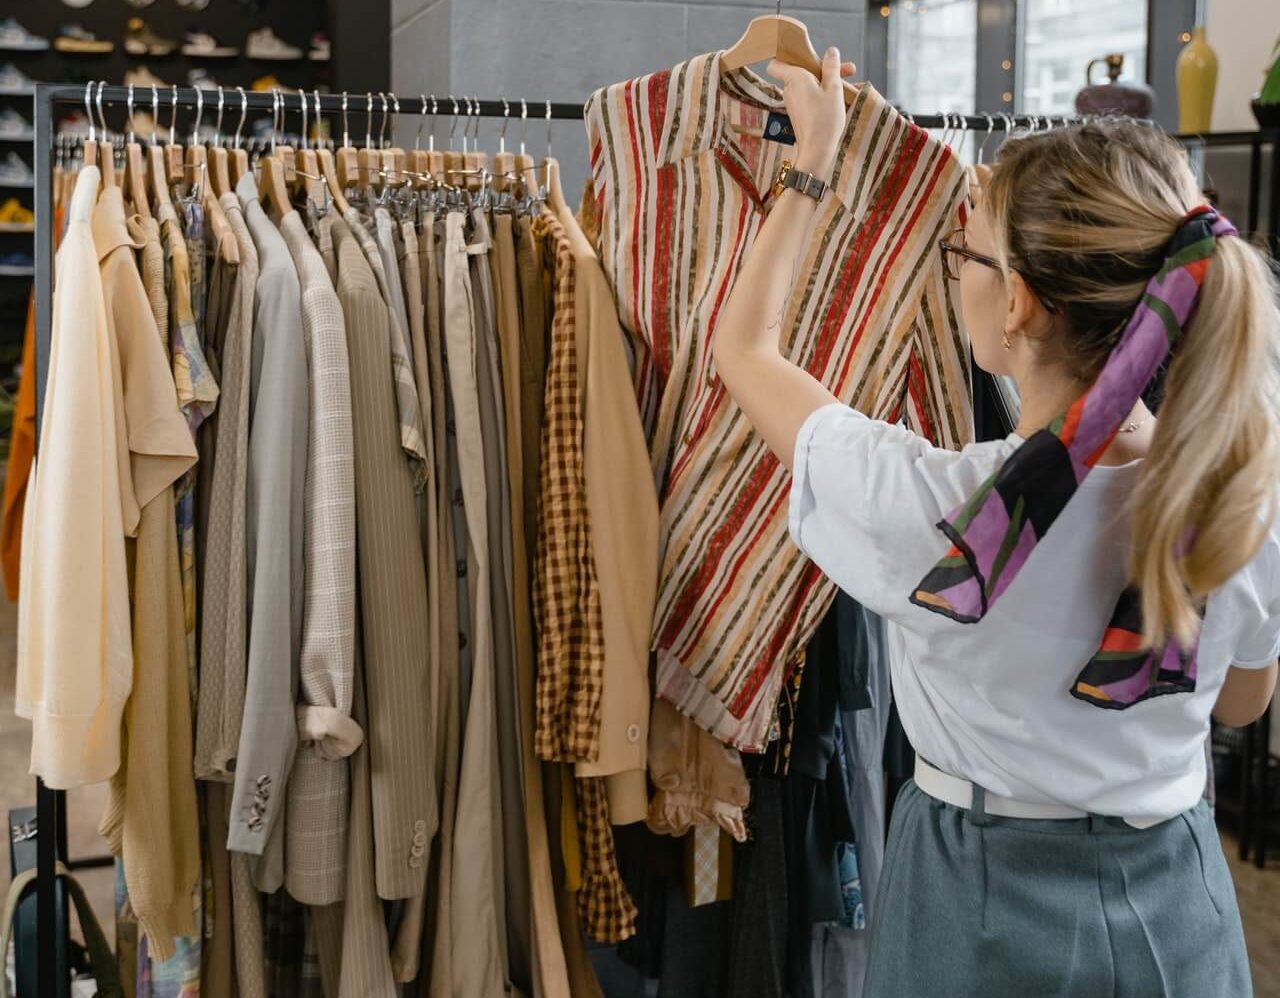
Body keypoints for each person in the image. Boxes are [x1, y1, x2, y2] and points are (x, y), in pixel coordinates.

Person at [712, 46, 1280, 996]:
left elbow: (743, 348)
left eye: (964, 252)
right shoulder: (1238, 487)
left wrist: (815, 156)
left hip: (976, 897)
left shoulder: (933, 512)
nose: (958, 266)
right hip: (1177, 900)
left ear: (1016, 298)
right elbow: (1241, 704)